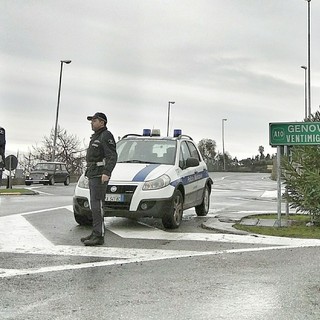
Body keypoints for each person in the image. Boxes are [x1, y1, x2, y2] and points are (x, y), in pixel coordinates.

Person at [81, 112, 117, 246]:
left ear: (102, 122)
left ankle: (99, 235)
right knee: (94, 205)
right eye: (92, 121)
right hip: (93, 173)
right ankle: (95, 231)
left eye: (94, 120)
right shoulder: (95, 136)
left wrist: (107, 172)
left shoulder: (106, 136)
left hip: (100, 175)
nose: (92, 123)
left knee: (98, 205)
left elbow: (112, 156)